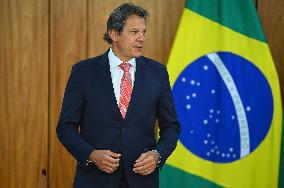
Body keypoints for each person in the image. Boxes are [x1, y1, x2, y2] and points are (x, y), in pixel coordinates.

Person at [56, 3, 180, 188]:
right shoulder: (83, 72)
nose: (141, 38)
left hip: (142, 181)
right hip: (95, 180)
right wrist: (91, 154)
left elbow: (171, 127)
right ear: (114, 34)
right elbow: (65, 127)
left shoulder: (158, 73)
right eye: (134, 32)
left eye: (144, 32)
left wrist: (157, 155)